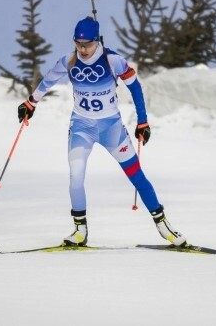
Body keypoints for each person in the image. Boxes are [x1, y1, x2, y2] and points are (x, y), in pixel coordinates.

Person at [17, 16, 187, 247]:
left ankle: (164, 226)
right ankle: (79, 230)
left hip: (111, 129)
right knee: (76, 177)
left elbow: (136, 87)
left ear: (97, 41)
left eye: (87, 44)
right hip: (81, 128)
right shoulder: (68, 61)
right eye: (78, 43)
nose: (82, 49)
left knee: (137, 176)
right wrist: (31, 102)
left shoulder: (112, 60)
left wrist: (143, 122)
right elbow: (48, 81)